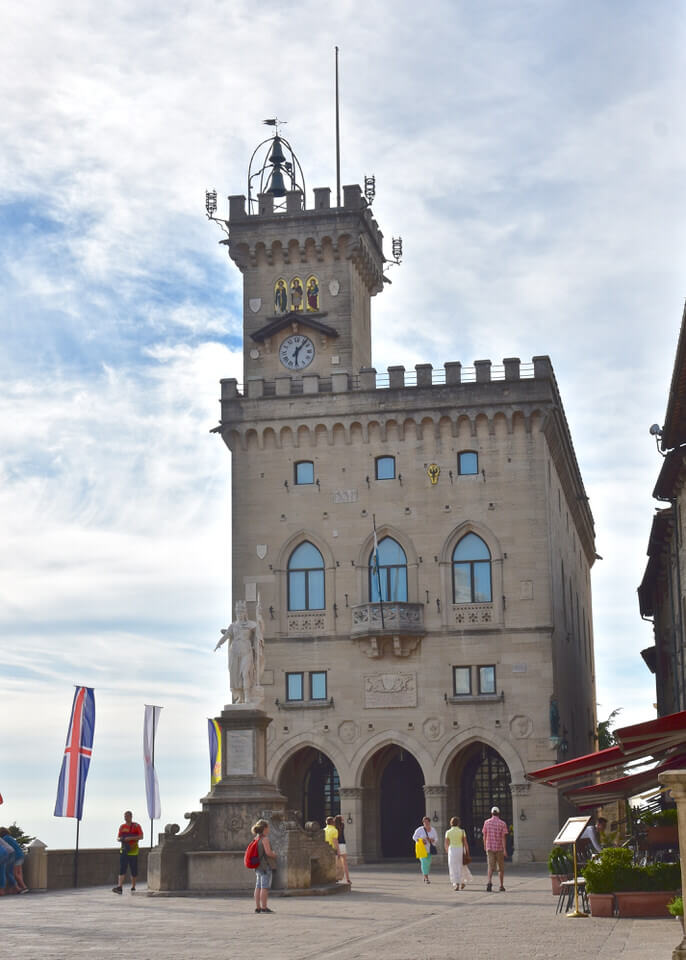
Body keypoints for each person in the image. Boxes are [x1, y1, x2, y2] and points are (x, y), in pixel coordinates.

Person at [112, 811, 143, 894]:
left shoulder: (136, 826)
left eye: (127, 816)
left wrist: (130, 838)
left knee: (133, 870)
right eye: (124, 816)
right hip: (124, 850)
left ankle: (133, 886)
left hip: (133, 851)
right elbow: (118, 838)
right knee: (122, 869)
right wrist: (122, 839)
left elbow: (141, 836)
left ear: (131, 816)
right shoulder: (122, 827)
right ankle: (119, 887)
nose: (125, 818)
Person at [252, 819, 277, 913]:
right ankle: (264, 907)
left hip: (257, 865)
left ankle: (258, 907)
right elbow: (268, 853)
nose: (269, 829)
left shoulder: (256, 838)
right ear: (265, 828)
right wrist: (275, 855)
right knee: (264, 887)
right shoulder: (265, 839)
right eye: (268, 827)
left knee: (258, 886)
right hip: (265, 866)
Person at [483, 805, 509, 892]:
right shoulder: (502, 823)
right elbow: (503, 837)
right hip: (499, 848)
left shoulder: (486, 822)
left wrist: (484, 845)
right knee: (500, 868)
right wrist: (505, 849)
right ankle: (501, 885)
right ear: (499, 813)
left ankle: (489, 882)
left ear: (491, 813)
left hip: (490, 847)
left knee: (490, 866)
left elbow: (484, 835)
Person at [444, 816, 469, 891]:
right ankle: (462, 881)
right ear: (458, 823)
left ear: (451, 823)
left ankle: (456, 884)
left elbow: (446, 843)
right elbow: (465, 843)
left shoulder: (448, 832)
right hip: (460, 849)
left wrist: (447, 851)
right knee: (461, 866)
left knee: (453, 867)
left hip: (452, 850)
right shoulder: (462, 831)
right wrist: (467, 852)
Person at [412, 816, 439, 884]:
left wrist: (432, 840)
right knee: (424, 862)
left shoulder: (433, 830)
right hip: (421, 849)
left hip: (429, 849)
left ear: (429, 822)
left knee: (428, 863)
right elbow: (414, 837)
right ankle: (426, 878)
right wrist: (421, 840)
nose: (426, 823)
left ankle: (425, 875)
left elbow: (436, 839)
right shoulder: (420, 829)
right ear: (423, 823)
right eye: (424, 822)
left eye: (427, 822)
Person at [334, 814, 351, 885]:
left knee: (335, 864)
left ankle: (335, 878)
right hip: (343, 844)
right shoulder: (342, 825)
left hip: (337, 845)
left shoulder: (334, 827)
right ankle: (348, 878)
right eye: (342, 818)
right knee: (345, 863)